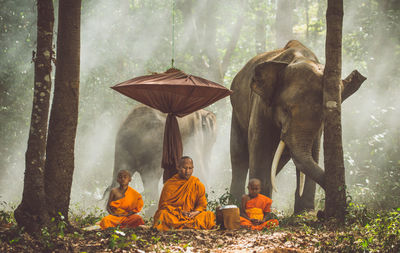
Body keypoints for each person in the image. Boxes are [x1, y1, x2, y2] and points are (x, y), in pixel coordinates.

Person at [153, 156, 216, 231]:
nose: (187, 171)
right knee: (162, 214)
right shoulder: (170, 184)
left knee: (209, 215)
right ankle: (188, 226)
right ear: (178, 168)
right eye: (184, 168)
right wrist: (180, 212)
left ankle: (181, 226)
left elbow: (202, 205)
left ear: (193, 168)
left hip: (191, 216)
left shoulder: (197, 184)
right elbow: (163, 205)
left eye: (190, 168)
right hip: (175, 215)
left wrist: (195, 212)